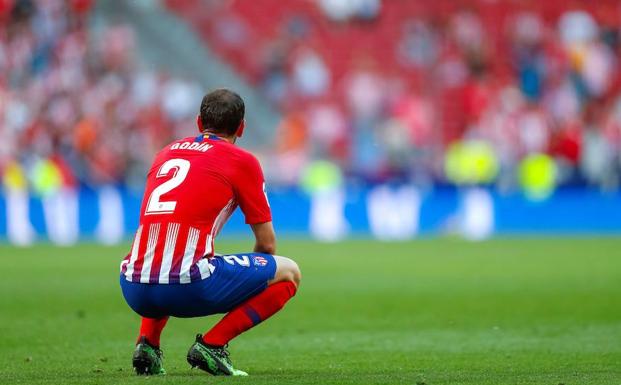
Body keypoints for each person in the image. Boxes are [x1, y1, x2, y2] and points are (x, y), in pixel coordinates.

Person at [119, 89, 301, 376]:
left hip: (131, 285)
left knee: (166, 255)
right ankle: (213, 344)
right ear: (241, 127)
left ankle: (147, 346)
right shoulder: (242, 161)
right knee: (289, 272)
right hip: (188, 286)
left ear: (198, 123)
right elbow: (266, 245)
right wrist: (249, 287)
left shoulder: (165, 153)